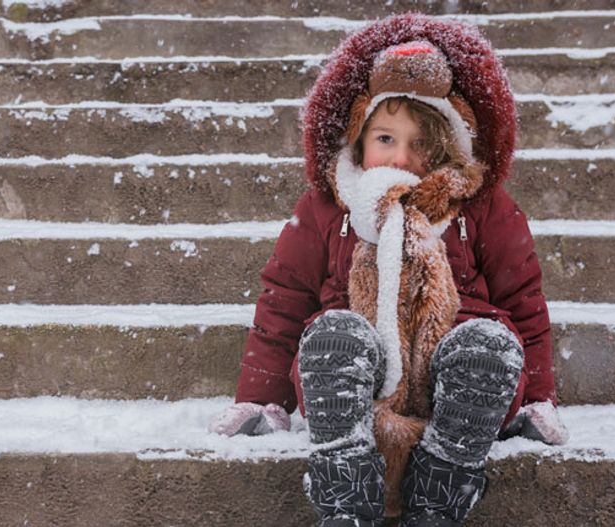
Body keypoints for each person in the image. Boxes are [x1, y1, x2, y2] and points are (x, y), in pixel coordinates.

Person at [208, 14, 570, 527]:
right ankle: (345, 482)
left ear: (448, 145)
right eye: (385, 138)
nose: (402, 156)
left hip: (458, 370)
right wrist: (262, 400)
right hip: (360, 373)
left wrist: (538, 400)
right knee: (334, 335)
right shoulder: (329, 206)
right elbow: (283, 301)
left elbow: (524, 303)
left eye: (422, 143)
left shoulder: (482, 206)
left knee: (488, 346)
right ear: (358, 140)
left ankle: (442, 486)